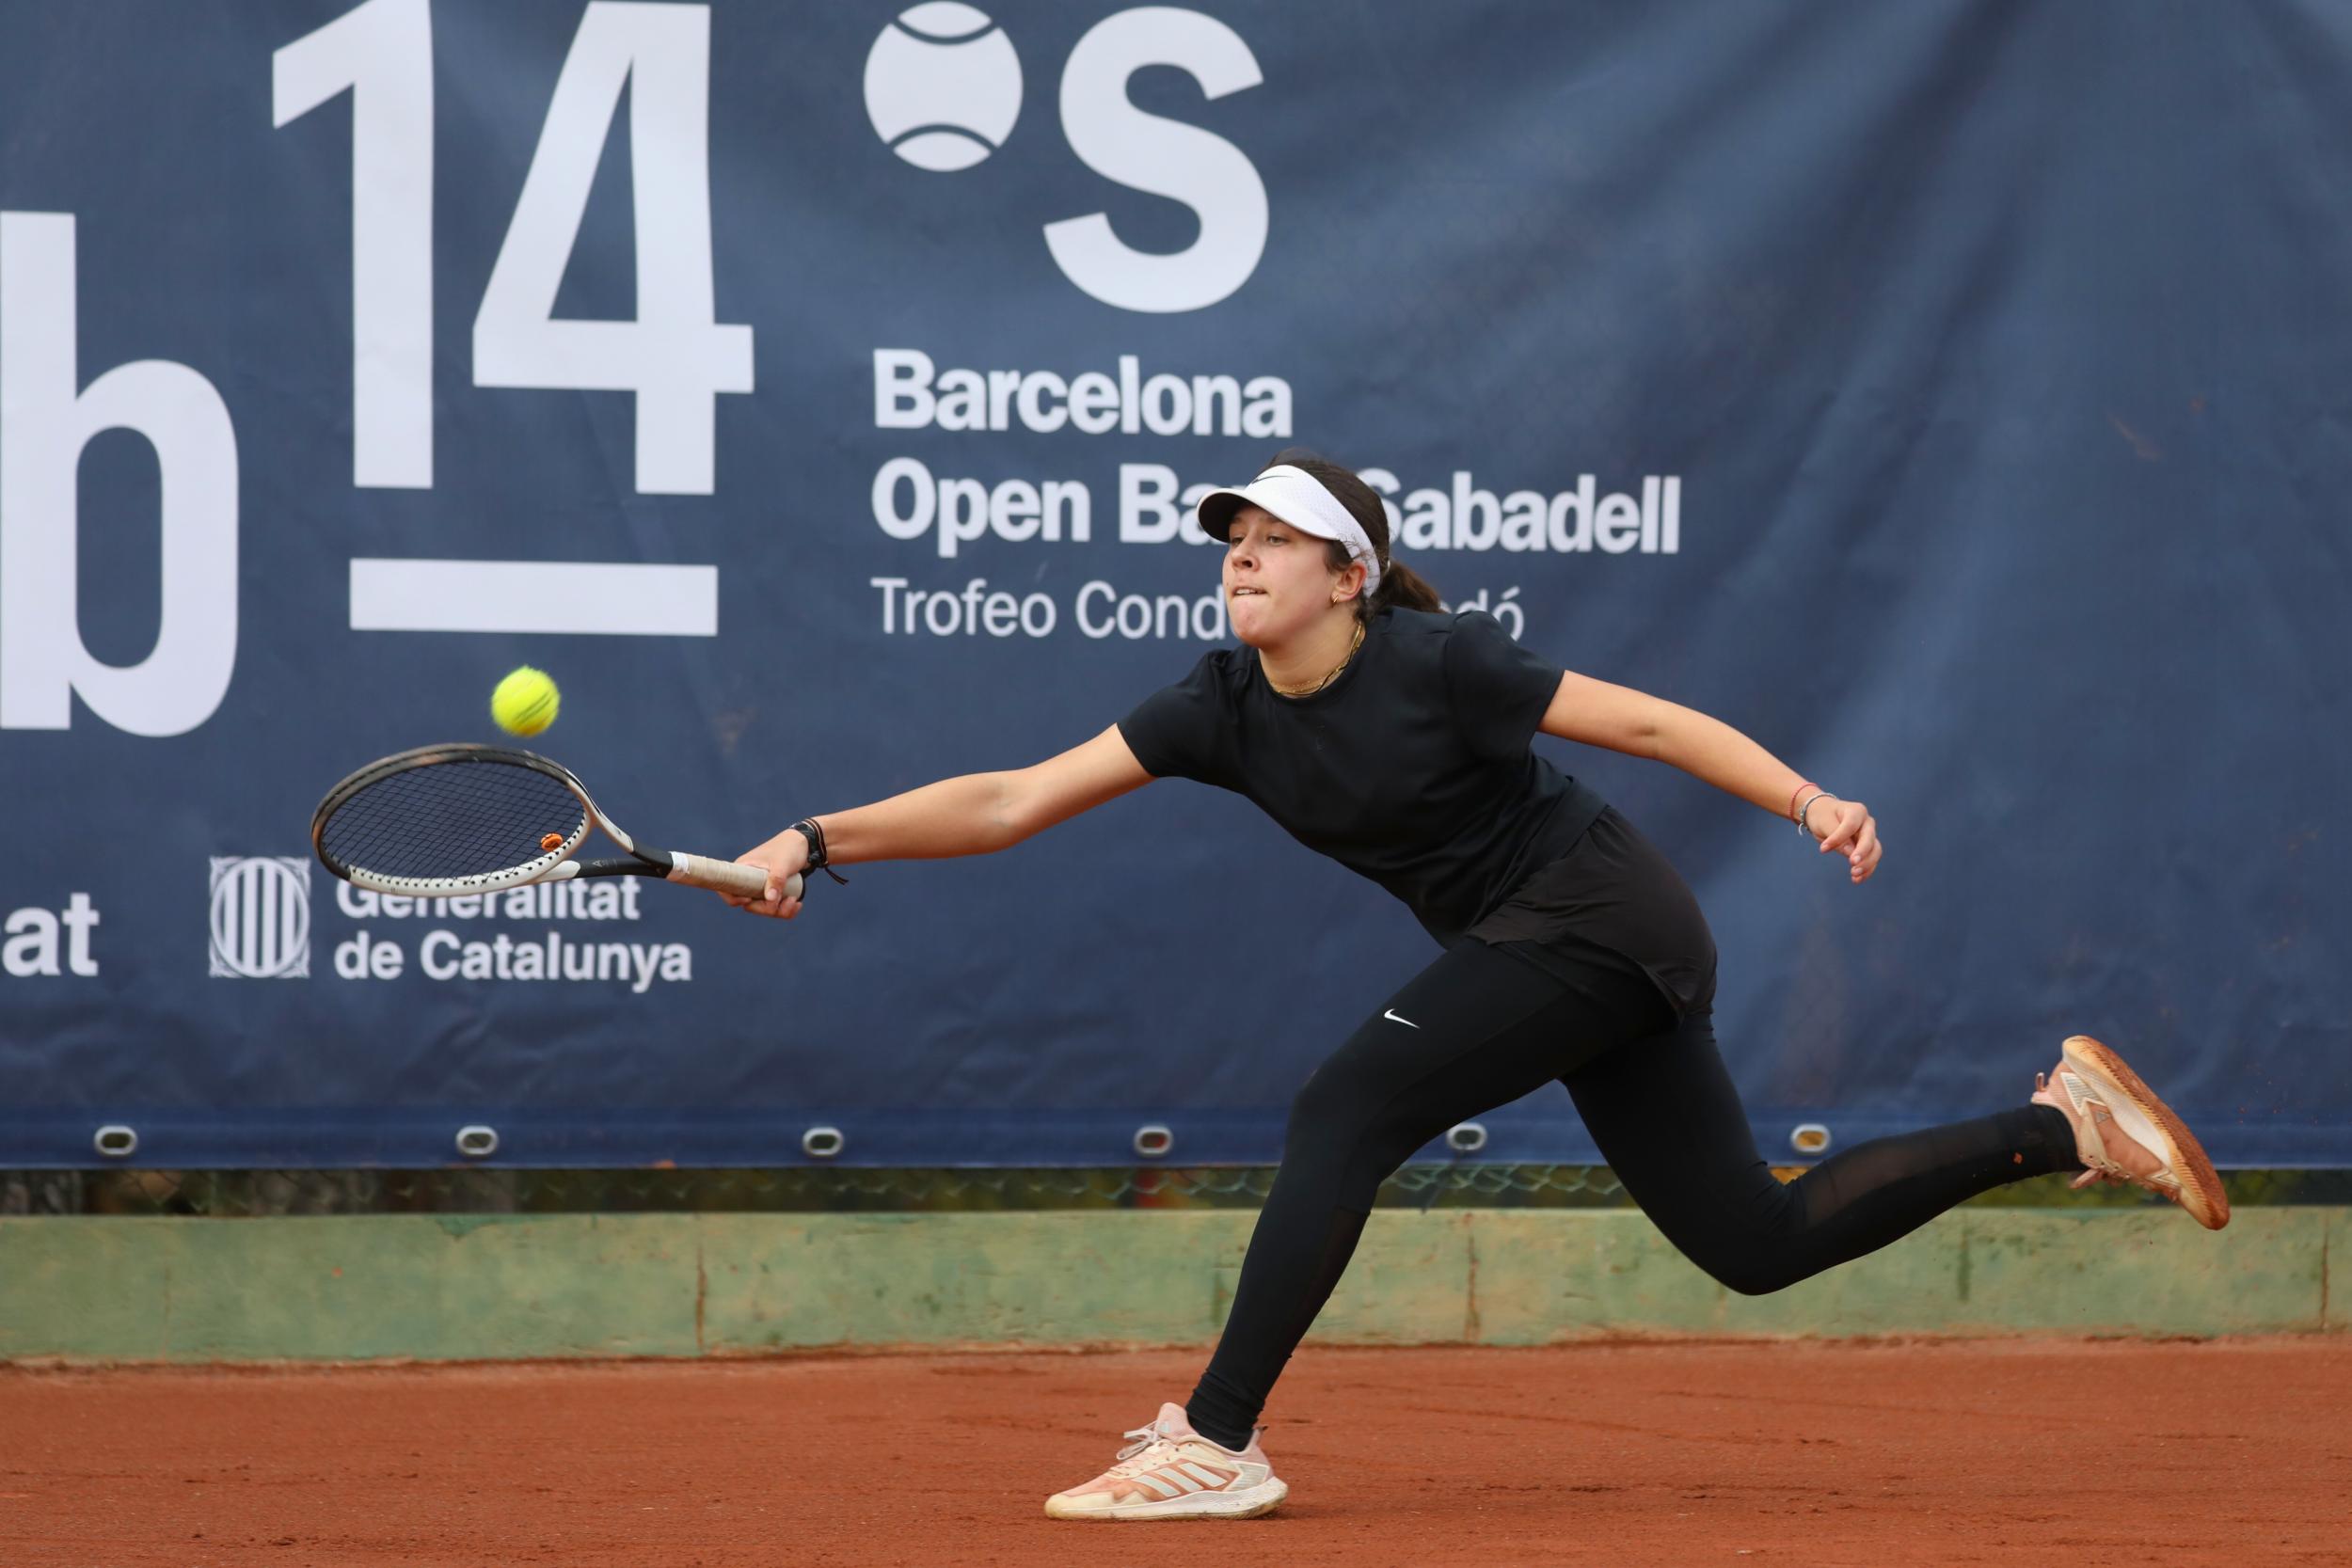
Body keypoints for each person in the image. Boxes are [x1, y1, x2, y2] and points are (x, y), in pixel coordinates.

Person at [723, 449, 2229, 1523]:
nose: (1240, 554)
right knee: (1755, 1243)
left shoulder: (1439, 661)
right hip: (1565, 948)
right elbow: (1005, 802)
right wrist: (810, 838)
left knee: (1345, 1107)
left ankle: (1218, 1442)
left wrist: (1805, 799)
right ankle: (2064, 1125)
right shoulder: (1218, 705)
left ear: (1349, 578)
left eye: (1276, 539)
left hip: (1597, 917)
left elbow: (1646, 724)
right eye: (1231, 537)